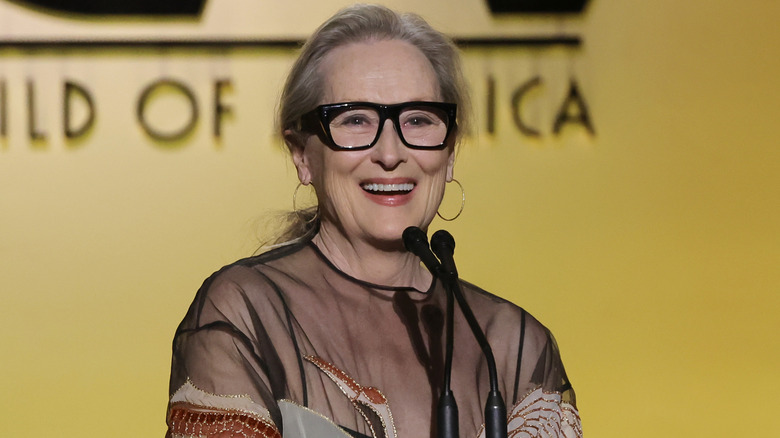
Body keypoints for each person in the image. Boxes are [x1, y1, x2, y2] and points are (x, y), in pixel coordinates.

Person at [165, 4, 581, 438]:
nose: (389, 153)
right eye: (356, 120)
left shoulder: (512, 345)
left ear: (451, 151)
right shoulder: (244, 313)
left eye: (418, 120)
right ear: (302, 154)